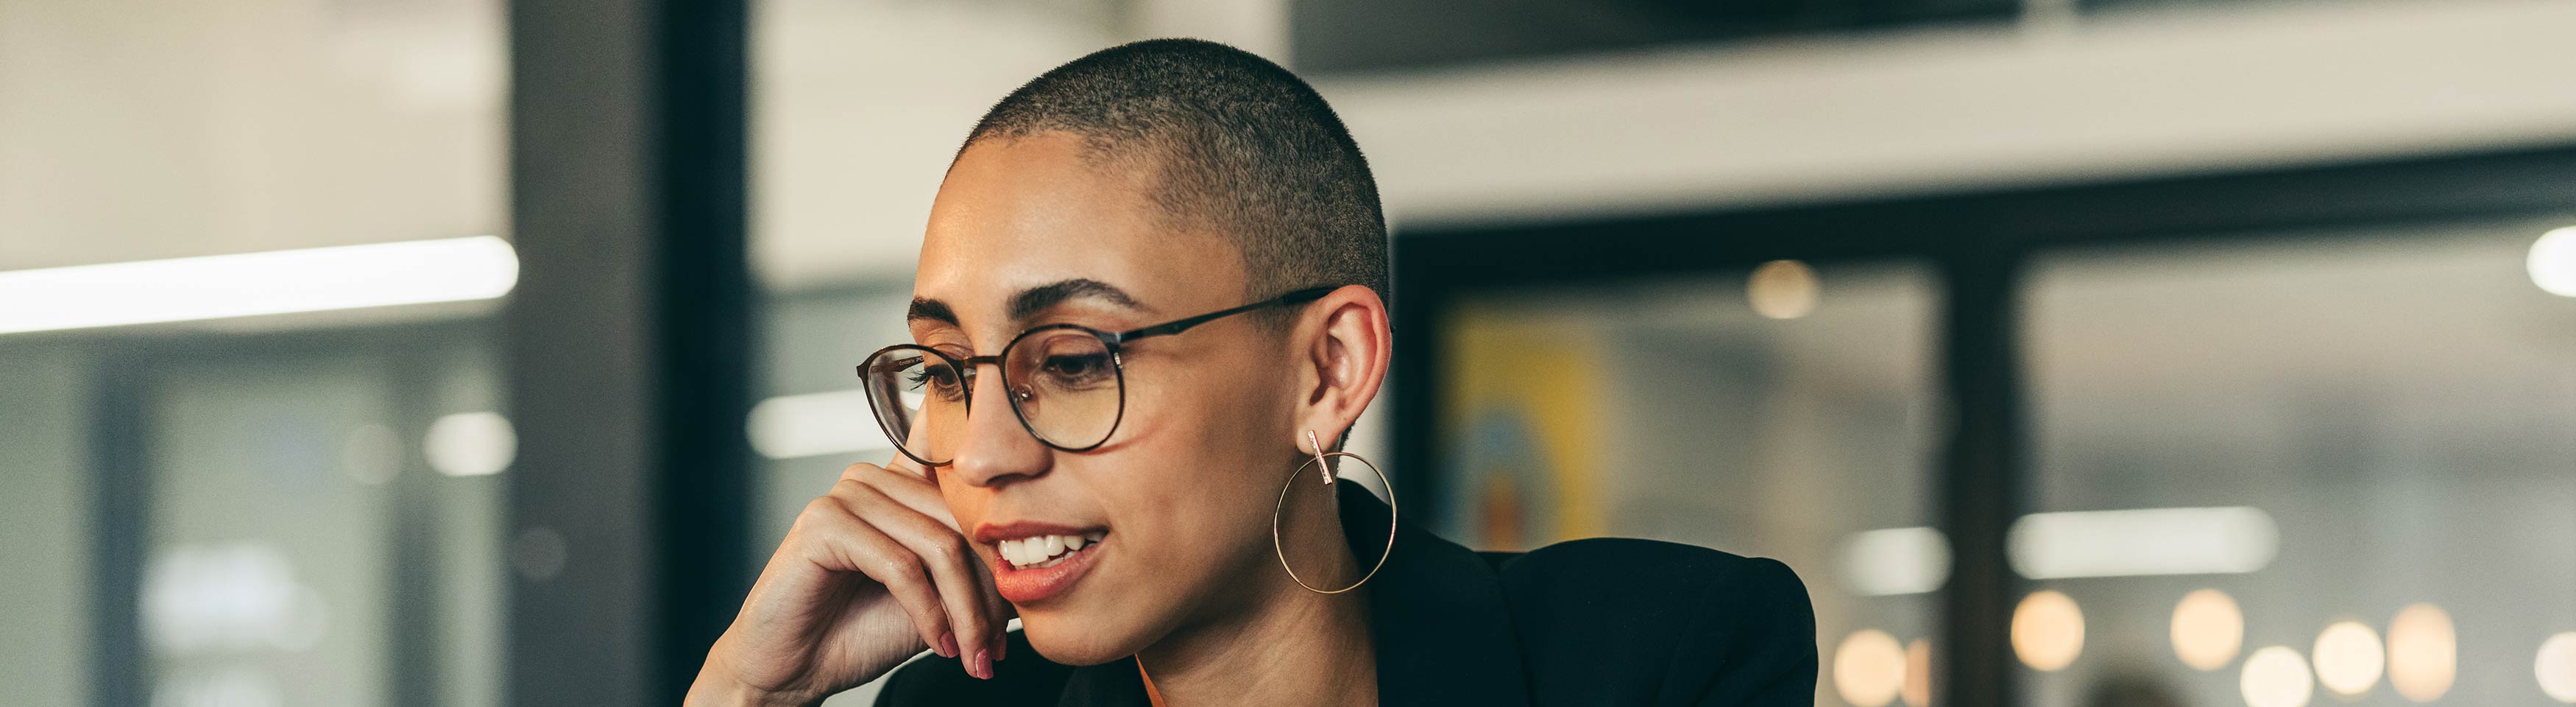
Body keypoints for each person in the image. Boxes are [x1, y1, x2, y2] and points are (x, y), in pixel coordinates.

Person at [684, 38, 1816, 706]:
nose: (979, 453)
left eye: (1072, 361)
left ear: (1327, 371)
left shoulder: (1658, 656)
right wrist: (747, 696)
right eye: (941, 370)